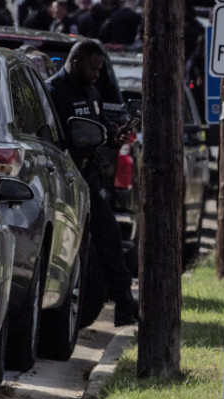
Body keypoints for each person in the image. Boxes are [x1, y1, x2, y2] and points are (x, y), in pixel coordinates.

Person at [46, 40, 139, 327]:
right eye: (93, 68)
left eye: (100, 68)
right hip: (63, 178)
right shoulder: (52, 92)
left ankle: (125, 305)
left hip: (87, 176)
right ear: (76, 63)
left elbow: (98, 129)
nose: (98, 74)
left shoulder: (92, 93)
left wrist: (116, 136)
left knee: (109, 235)